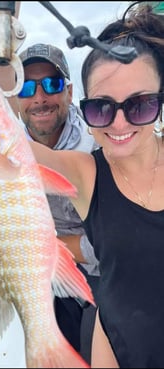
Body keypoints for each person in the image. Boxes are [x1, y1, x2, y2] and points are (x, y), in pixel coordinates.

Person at [28, 3, 164, 368]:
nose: (119, 124)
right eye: (102, 108)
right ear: (85, 107)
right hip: (115, 349)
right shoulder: (87, 172)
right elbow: (2, 145)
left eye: (140, 105)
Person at [16, 42, 100, 362]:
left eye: (51, 84)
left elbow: (116, 240)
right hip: (46, 275)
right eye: (25, 86)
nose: (39, 97)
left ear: (68, 92)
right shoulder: (6, 149)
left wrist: (48, 248)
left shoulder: (97, 144)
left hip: (100, 275)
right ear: (16, 98)